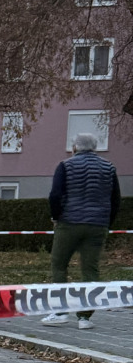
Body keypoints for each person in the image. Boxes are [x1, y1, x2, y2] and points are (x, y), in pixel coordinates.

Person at [41, 132, 120, 329]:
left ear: (74, 147)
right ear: (95, 148)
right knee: (90, 269)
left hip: (69, 223)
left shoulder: (65, 165)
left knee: (59, 266)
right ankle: (85, 317)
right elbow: (116, 199)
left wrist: (56, 216)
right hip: (97, 226)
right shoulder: (109, 168)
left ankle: (60, 311)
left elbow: (55, 194)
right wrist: (106, 222)